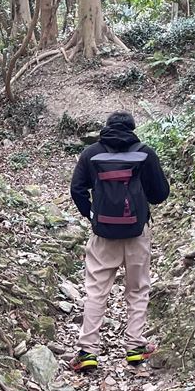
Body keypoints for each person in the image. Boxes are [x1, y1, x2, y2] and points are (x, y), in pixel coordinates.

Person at [69, 111, 170, 371]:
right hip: (137, 233)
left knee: (96, 291)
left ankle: (88, 351)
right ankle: (135, 347)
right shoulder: (145, 153)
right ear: (133, 129)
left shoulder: (91, 154)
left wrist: (92, 215)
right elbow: (160, 195)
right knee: (137, 289)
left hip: (103, 234)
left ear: (107, 127)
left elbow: (77, 189)